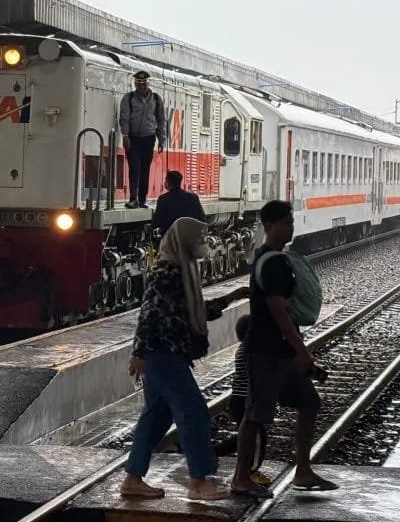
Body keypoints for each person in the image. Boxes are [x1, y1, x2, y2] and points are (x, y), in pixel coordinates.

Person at [120, 217, 248, 501]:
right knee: (194, 414)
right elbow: (149, 313)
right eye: (199, 237)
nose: (203, 241)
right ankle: (199, 482)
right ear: (185, 240)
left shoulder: (182, 269)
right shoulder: (168, 271)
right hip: (162, 354)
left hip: (166, 352)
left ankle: (132, 479)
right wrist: (138, 353)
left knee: (156, 417)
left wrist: (232, 298)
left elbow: (193, 311)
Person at [231, 200, 336, 497]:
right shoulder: (273, 262)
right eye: (286, 222)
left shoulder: (269, 257)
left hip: (280, 351)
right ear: (269, 226)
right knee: (255, 414)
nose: (291, 227)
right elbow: (279, 312)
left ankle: (303, 470)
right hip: (264, 350)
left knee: (309, 402)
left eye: (291, 221)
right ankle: (240, 477)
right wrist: (301, 350)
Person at [119, 70, 166, 209]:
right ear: (135, 84)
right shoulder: (128, 98)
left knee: (145, 169)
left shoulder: (156, 99)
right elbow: (124, 118)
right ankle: (133, 198)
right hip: (133, 138)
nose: (142, 86)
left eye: (144, 83)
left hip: (148, 138)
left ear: (148, 83)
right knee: (134, 168)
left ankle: (142, 199)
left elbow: (161, 120)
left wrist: (161, 140)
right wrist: (125, 135)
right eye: (139, 83)